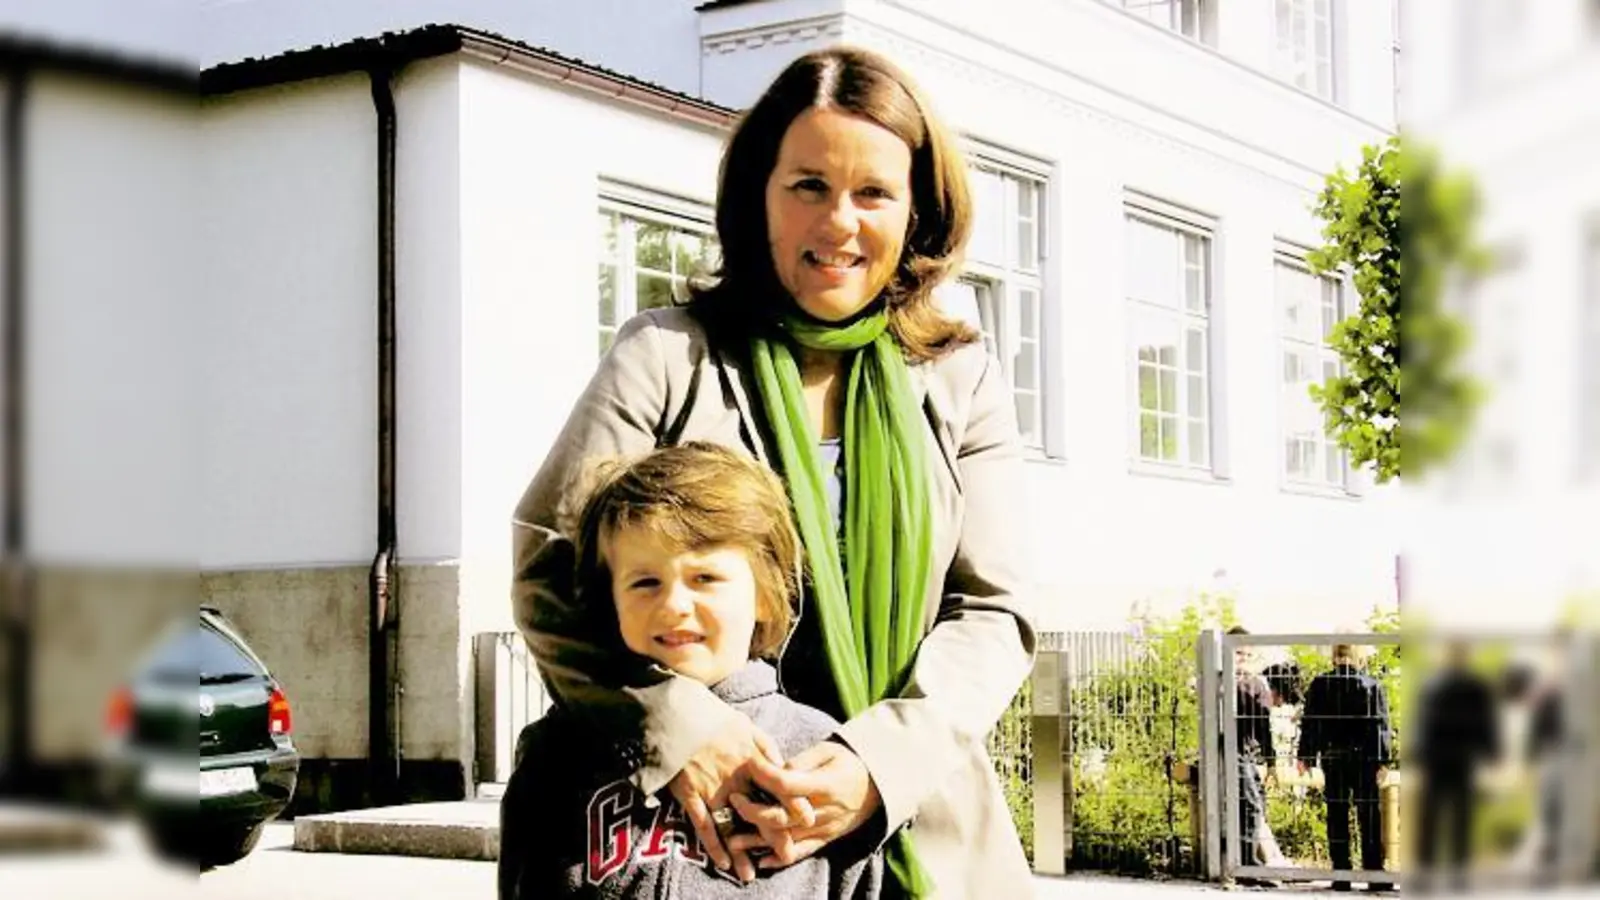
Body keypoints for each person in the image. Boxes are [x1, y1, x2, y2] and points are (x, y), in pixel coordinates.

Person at [510, 46, 1036, 899]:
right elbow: (549, 570)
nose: (839, 223)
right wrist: (678, 729)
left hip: (913, 827)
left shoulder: (960, 377)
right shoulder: (666, 356)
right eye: (808, 186)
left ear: (918, 212)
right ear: (759, 195)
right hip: (694, 829)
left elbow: (993, 611)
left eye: (873, 193)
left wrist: (874, 764)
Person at [498, 443, 883, 899]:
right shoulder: (559, 751)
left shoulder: (816, 752)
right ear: (610, 601)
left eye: (705, 579)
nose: (675, 605)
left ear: (765, 594)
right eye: (645, 582)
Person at [1298, 644, 1395, 893]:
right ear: (1358, 657)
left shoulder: (1320, 684)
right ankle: (1374, 872)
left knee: (1337, 813)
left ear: (1334, 657)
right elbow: (1379, 725)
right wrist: (1382, 760)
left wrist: (1306, 755)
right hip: (1364, 759)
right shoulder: (1371, 685)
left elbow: (1311, 722)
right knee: (1369, 816)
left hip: (1333, 757)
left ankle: (1341, 873)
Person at [1409, 640, 1498, 894]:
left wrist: (1419, 754)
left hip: (1445, 760)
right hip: (1457, 760)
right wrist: (1491, 752)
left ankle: (1434, 877)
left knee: (1439, 821)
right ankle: (1450, 878)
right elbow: (1486, 724)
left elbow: (1424, 724)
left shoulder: (1437, 684)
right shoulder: (1469, 687)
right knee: (1453, 821)